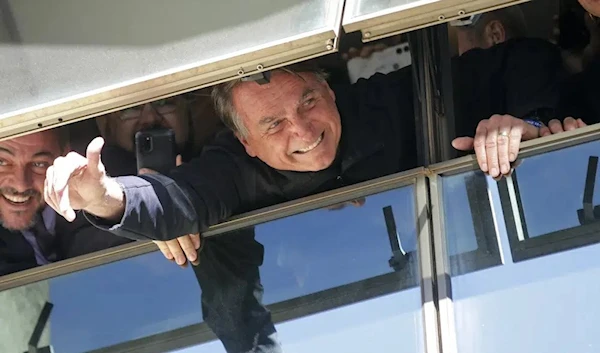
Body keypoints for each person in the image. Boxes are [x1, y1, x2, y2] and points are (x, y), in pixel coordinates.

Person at [43, 59, 580, 353]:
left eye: (308, 102)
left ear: (329, 90)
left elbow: (517, 59)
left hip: (464, 305)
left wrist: (525, 120)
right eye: (272, 125)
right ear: (245, 142)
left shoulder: (384, 102)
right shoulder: (230, 167)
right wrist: (105, 196)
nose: (302, 130)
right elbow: (179, 198)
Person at [0, 128, 129, 276]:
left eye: (39, 164)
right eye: (2, 162)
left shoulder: (110, 180)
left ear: (65, 155)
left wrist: (103, 202)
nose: (20, 185)